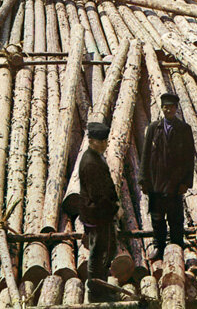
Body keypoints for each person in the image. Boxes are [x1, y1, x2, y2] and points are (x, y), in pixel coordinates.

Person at [140, 92, 195, 261]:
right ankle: (159, 247)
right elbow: (146, 155)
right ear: (162, 109)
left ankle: (177, 245)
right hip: (156, 182)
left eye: (171, 107)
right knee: (157, 217)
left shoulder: (184, 130)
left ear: (176, 109)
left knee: (176, 217)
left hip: (175, 183)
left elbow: (189, 158)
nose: (168, 110)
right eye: (165, 107)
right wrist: (143, 180)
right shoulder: (153, 128)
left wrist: (186, 182)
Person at [78, 121, 120, 301]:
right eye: (100, 142)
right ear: (91, 141)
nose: (104, 145)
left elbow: (107, 185)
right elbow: (99, 195)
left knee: (104, 253)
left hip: (100, 214)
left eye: (105, 141)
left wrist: (115, 201)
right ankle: (95, 292)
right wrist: (115, 209)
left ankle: (101, 287)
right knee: (98, 255)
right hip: (97, 215)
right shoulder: (90, 163)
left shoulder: (96, 157)